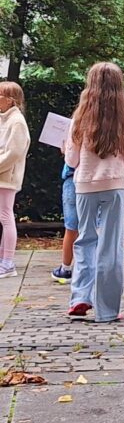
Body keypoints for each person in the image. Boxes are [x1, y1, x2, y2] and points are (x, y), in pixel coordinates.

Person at [66, 63, 124, 321]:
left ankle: (80, 296)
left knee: (85, 240)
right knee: (110, 246)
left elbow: (72, 159)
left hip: (85, 185)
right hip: (114, 185)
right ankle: (107, 309)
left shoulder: (81, 115)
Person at [0, 82, 31, 280]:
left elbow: (13, 153)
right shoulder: (6, 119)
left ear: (11, 99)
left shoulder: (17, 121)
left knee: (6, 216)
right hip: (3, 176)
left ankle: (8, 262)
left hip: (6, 177)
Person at [51, 159, 78, 283]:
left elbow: (71, 159)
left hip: (73, 178)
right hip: (102, 180)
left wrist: (66, 150)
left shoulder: (73, 138)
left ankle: (66, 268)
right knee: (97, 226)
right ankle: (98, 268)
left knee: (71, 227)